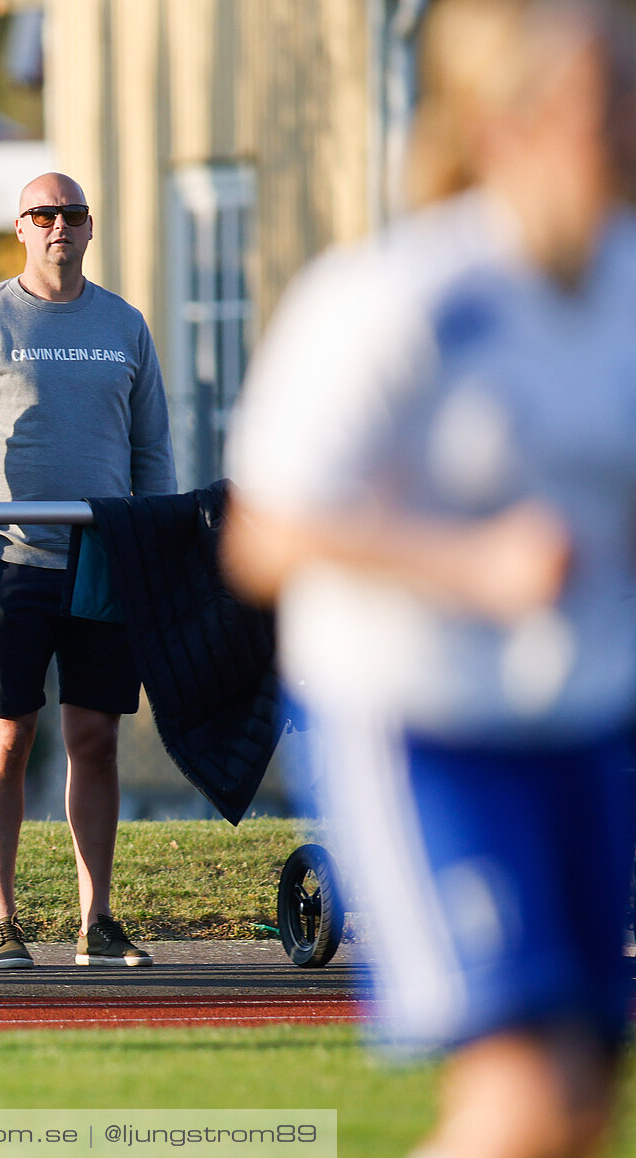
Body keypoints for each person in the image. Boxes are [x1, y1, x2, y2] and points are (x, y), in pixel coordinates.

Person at [223, 2, 636, 1155]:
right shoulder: (400, 300)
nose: (625, 124)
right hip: (421, 723)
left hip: (581, 724)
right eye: (603, 100)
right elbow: (262, 534)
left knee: (579, 1111)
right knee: (527, 1098)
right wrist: (470, 562)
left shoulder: (625, 292)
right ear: (507, 123)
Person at [0, 172, 175, 970]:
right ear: (21, 229)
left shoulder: (124, 325)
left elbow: (153, 452)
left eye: (70, 214)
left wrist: (151, 549)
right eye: (43, 215)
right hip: (12, 563)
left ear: (90, 228)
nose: (58, 226)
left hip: (103, 561)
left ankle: (96, 919)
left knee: (95, 738)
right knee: (6, 741)